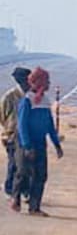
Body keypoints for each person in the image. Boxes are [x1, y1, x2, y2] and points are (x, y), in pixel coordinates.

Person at [11, 67, 62, 216]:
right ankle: (15, 198)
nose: (49, 84)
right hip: (25, 144)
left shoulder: (45, 101)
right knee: (23, 172)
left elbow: (49, 125)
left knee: (41, 175)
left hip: (40, 144)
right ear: (39, 82)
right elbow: (22, 125)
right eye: (47, 81)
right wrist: (27, 146)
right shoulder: (26, 101)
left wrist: (57, 144)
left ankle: (34, 207)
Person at [1, 66, 31, 196]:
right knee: (14, 164)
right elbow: (2, 115)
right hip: (12, 136)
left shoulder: (31, 96)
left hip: (28, 136)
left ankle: (24, 189)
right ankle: (10, 189)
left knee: (26, 165)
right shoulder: (9, 96)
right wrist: (10, 129)